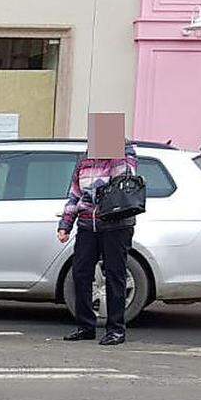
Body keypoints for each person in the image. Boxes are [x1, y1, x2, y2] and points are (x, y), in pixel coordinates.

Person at [57, 142, 138, 347]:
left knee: (115, 275)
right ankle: (85, 326)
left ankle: (116, 329)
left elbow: (123, 177)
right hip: (86, 223)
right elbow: (75, 194)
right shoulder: (85, 160)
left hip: (116, 224)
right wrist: (65, 224)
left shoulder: (124, 154)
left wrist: (117, 147)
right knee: (81, 273)